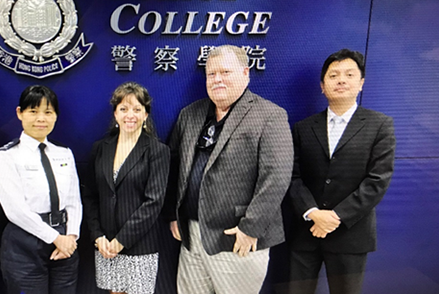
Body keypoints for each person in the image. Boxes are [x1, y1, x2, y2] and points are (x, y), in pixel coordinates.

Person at [166, 45, 294, 294]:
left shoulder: (269, 116)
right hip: (191, 235)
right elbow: (173, 167)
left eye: (225, 72)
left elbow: (276, 177)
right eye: (211, 74)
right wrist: (173, 213)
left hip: (238, 236)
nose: (217, 79)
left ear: (245, 73)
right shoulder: (190, 114)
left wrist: (250, 228)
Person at [288, 49, 396, 294]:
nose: (341, 80)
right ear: (322, 86)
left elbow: (377, 181)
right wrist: (313, 213)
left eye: (349, 74)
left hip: (351, 234)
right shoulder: (303, 128)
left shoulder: (380, 125)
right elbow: (293, 177)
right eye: (333, 75)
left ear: (361, 83)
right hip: (306, 232)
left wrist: (334, 217)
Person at [0, 85, 82, 294]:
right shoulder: (7, 156)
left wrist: (71, 237)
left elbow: (74, 201)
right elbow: (15, 210)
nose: (41, 118)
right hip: (25, 244)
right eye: (33, 111)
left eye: (48, 112)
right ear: (19, 113)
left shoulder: (64, 153)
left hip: (65, 243)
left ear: (55, 116)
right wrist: (55, 238)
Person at [82, 82, 170, 294]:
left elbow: (153, 202)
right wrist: (97, 235)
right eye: (124, 109)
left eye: (137, 109)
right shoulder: (100, 148)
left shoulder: (158, 151)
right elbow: (91, 195)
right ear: (115, 113)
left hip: (139, 244)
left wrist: (122, 240)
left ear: (146, 114)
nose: (130, 115)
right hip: (106, 244)